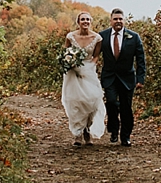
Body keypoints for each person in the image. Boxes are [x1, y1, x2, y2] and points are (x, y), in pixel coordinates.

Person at [99, 8, 146, 147]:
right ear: (111, 21)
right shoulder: (102, 36)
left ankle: (125, 136)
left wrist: (140, 78)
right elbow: (93, 54)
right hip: (109, 77)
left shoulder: (134, 37)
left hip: (127, 78)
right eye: (115, 19)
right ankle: (113, 129)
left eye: (120, 19)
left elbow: (140, 59)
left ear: (124, 20)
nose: (118, 21)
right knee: (112, 103)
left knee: (126, 108)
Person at [61, 12, 106, 146]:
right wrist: (70, 63)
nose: (85, 22)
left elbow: (96, 56)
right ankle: (77, 134)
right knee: (75, 102)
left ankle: (87, 129)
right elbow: (65, 53)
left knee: (92, 100)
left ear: (90, 21)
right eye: (82, 19)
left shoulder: (97, 38)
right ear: (78, 22)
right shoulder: (70, 36)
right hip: (73, 72)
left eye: (87, 19)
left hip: (89, 71)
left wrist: (90, 67)